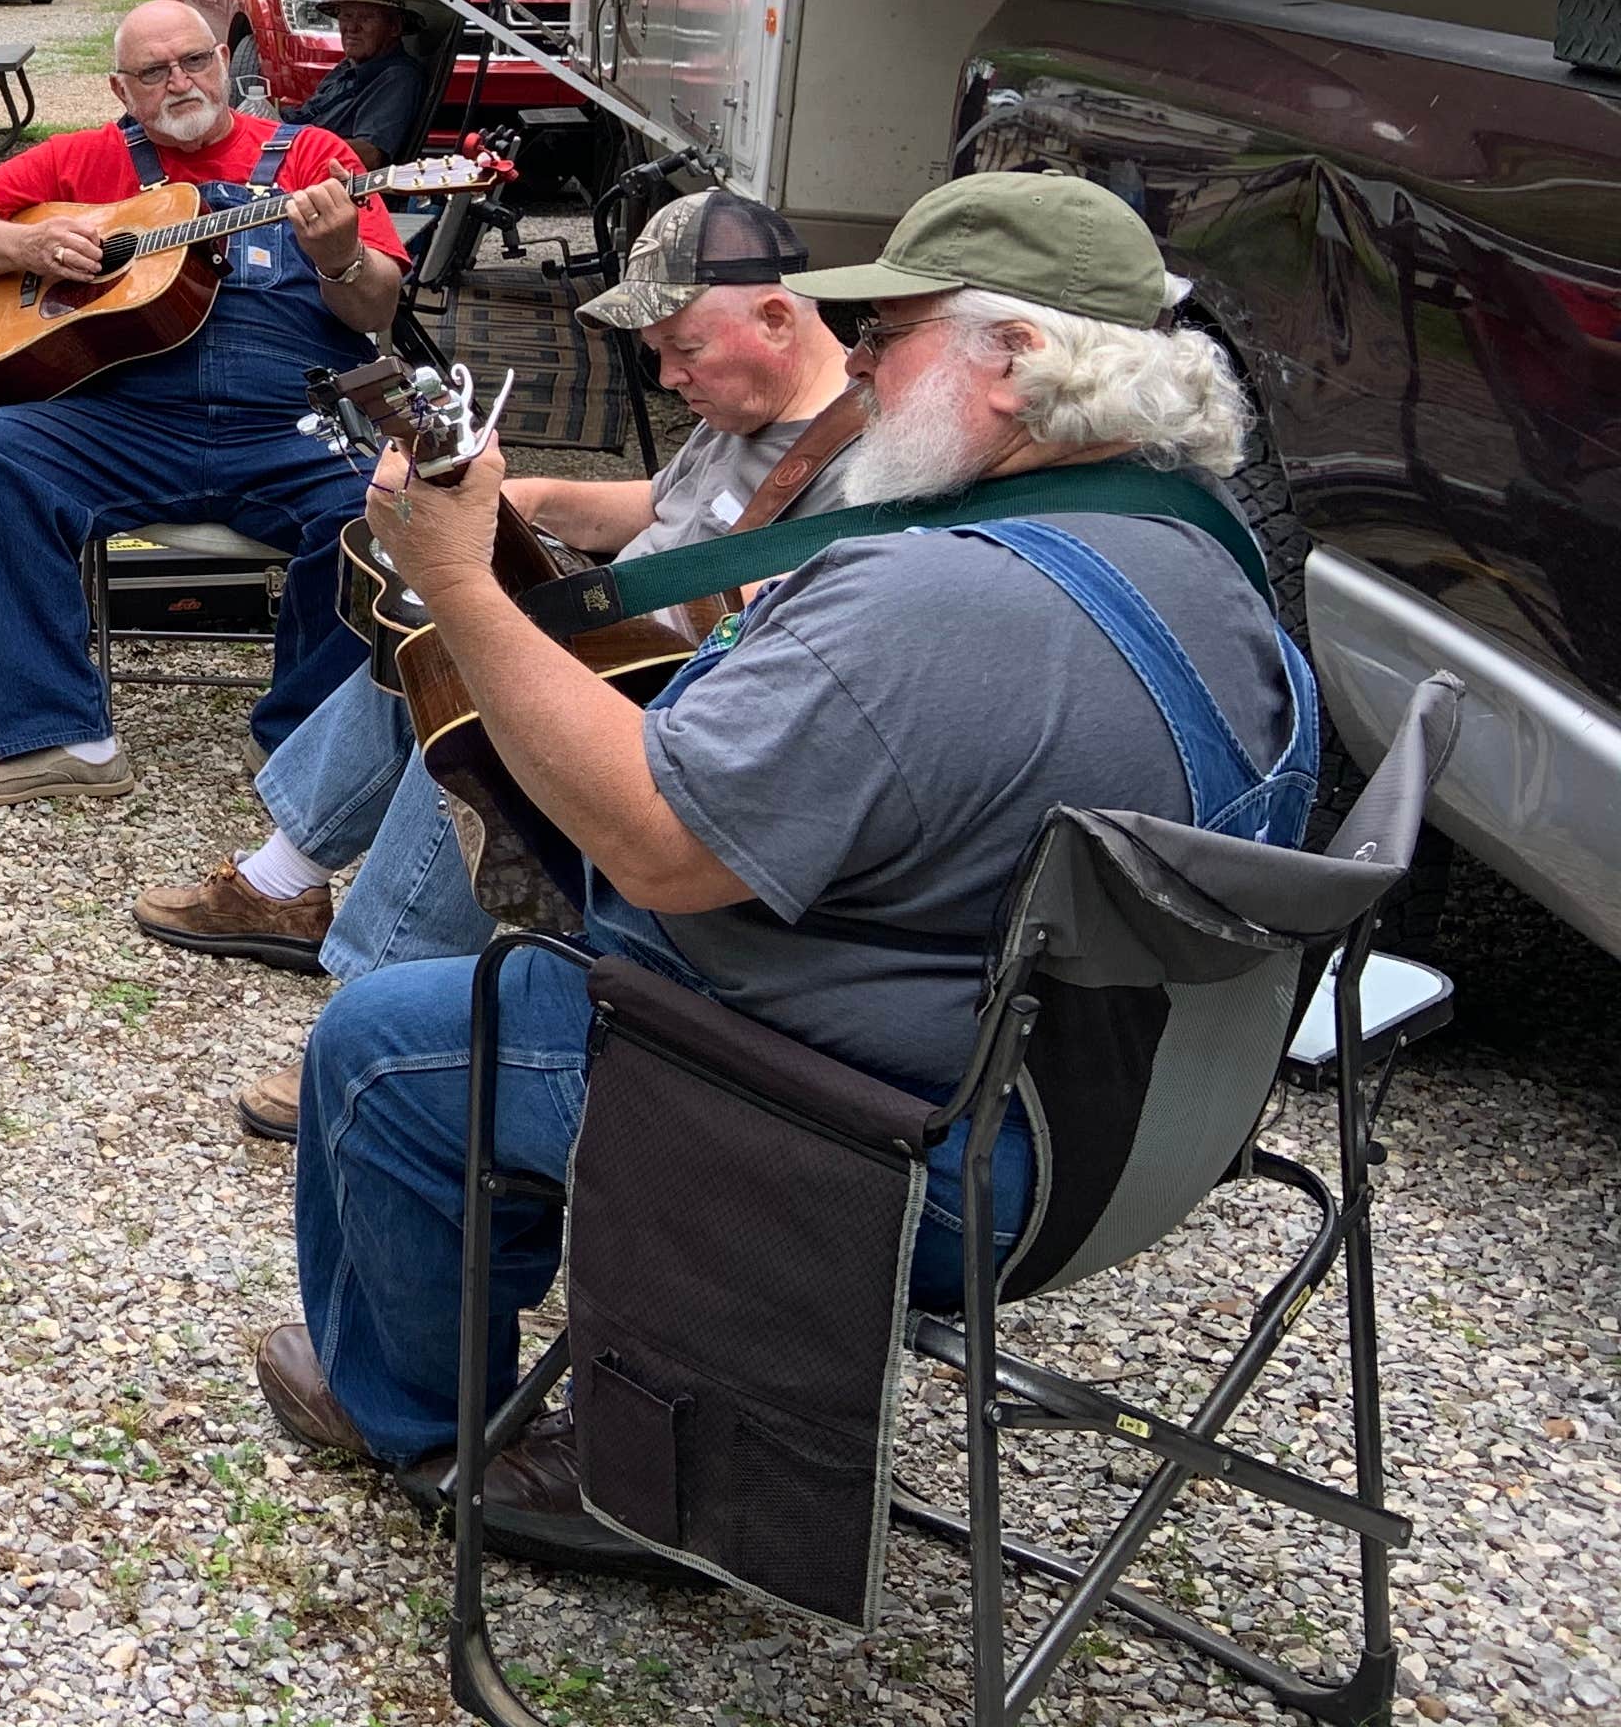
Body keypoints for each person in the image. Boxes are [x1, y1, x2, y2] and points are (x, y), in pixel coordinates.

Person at [254, 172, 1313, 1572]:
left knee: (392, 1043)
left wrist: (458, 582)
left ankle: (434, 1424)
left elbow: (659, 848)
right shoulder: (1207, 551)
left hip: (915, 1151)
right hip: (1138, 1124)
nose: (858, 365)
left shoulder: (934, 601)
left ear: (1020, 363)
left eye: (893, 336)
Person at [131, 191, 858, 1139]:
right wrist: (528, 495)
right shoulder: (741, 400)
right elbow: (661, 509)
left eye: (685, 350)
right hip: (608, 641)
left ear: (776, 317)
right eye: (659, 356)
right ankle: (282, 883)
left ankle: (373, 1019)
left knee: (479, 704)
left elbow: (798, 647)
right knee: (428, 630)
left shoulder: (861, 465)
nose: (670, 376)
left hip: (675, 703)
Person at [0, 0, 408, 808]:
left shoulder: (314, 154)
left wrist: (343, 256)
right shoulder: (83, 160)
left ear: (224, 62)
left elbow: (375, 312)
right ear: (121, 89)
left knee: (386, 500)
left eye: (196, 61)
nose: (180, 81)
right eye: (154, 71)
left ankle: (301, 736)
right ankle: (62, 733)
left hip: (292, 422)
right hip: (131, 423)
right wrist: (28, 244)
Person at [280, 0, 435, 159]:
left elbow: (370, 155)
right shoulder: (348, 66)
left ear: (394, 27)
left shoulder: (399, 78)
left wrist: (299, 147)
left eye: (366, 18)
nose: (351, 27)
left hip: (325, 179)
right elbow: (305, 114)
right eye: (346, 16)